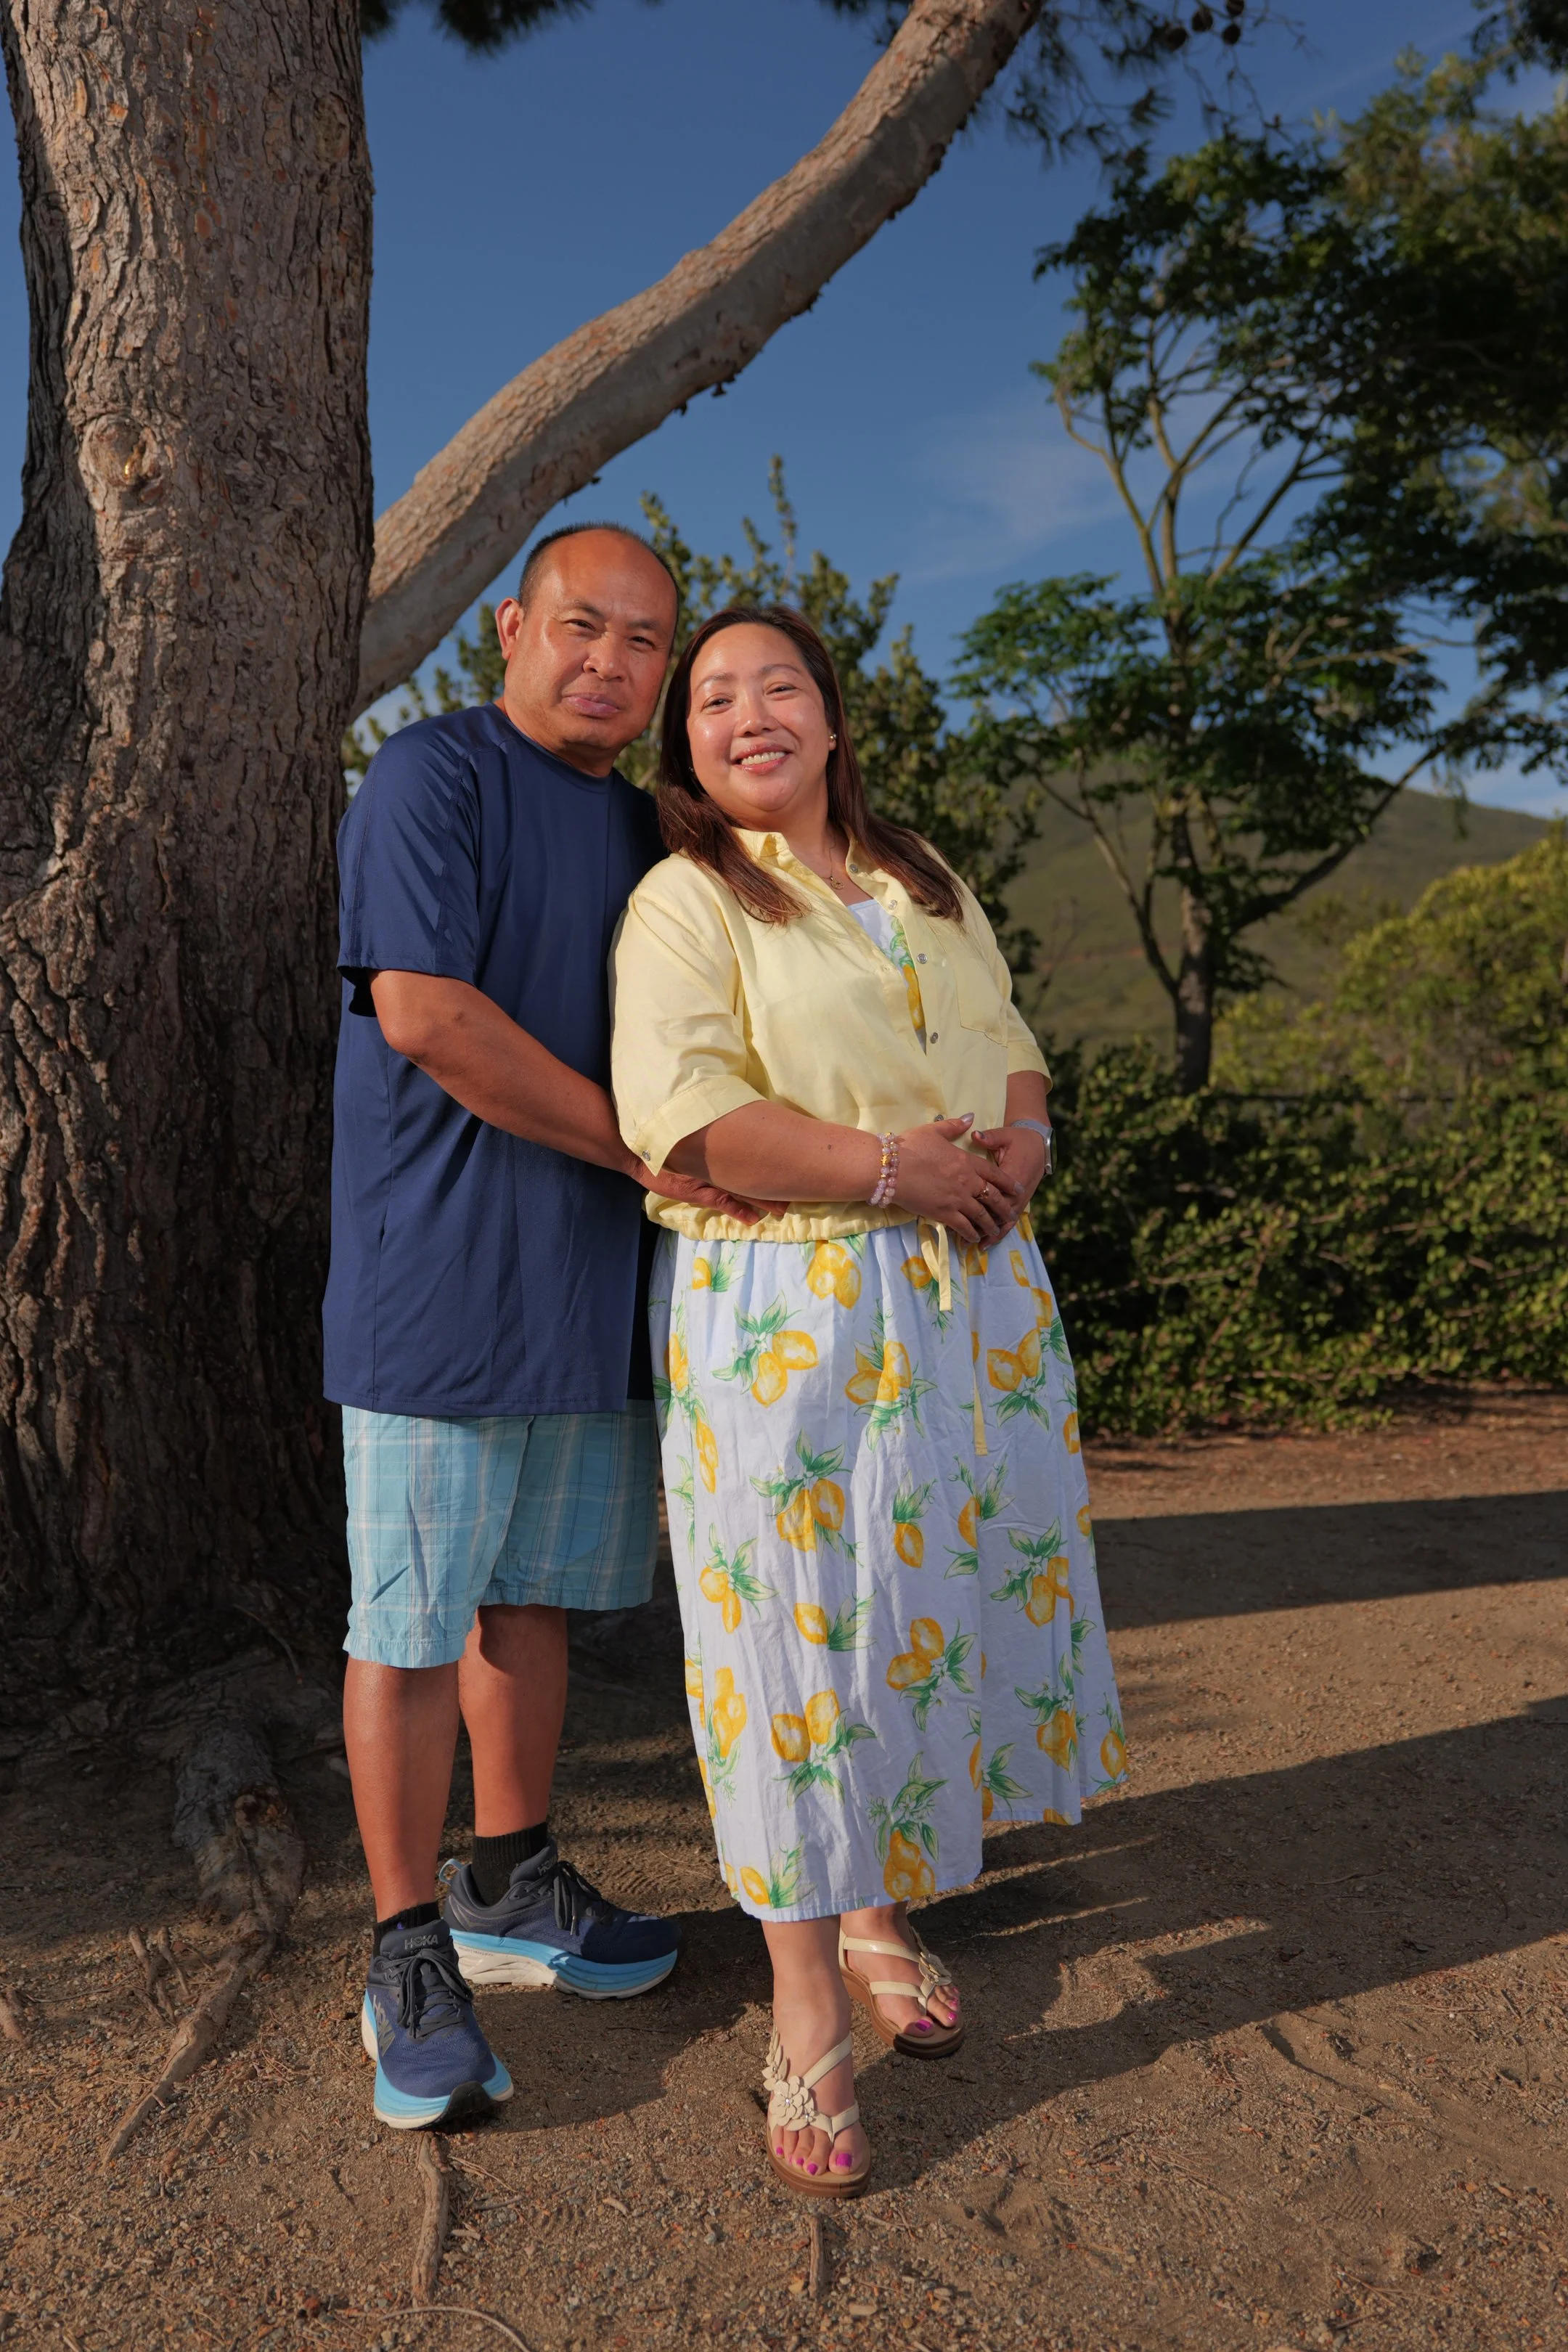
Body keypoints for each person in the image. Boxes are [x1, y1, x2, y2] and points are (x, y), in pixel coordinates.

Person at [611, 605, 1127, 2197]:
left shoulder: (924, 877)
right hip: (798, 1311)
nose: (747, 712)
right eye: (711, 698)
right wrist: (899, 1167)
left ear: (833, 720)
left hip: (969, 1299)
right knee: (792, 1634)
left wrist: (1020, 1152)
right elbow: (688, 1117)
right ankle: (807, 1996)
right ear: (686, 746)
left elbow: (1016, 1052)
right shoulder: (686, 899)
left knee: (922, 1602)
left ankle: (880, 1899)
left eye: (778, 686)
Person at [324, 524, 757, 2131]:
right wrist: (652, 1149)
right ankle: (405, 1946)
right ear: (510, 626)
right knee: (411, 1621)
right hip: (434, 1282)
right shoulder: (429, 781)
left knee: (535, 1607)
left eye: (646, 644)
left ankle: (510, 1884)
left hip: (591, 1284)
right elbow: (432, 1019)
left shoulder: (656, 829)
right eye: (586, 626)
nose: (613, 663)